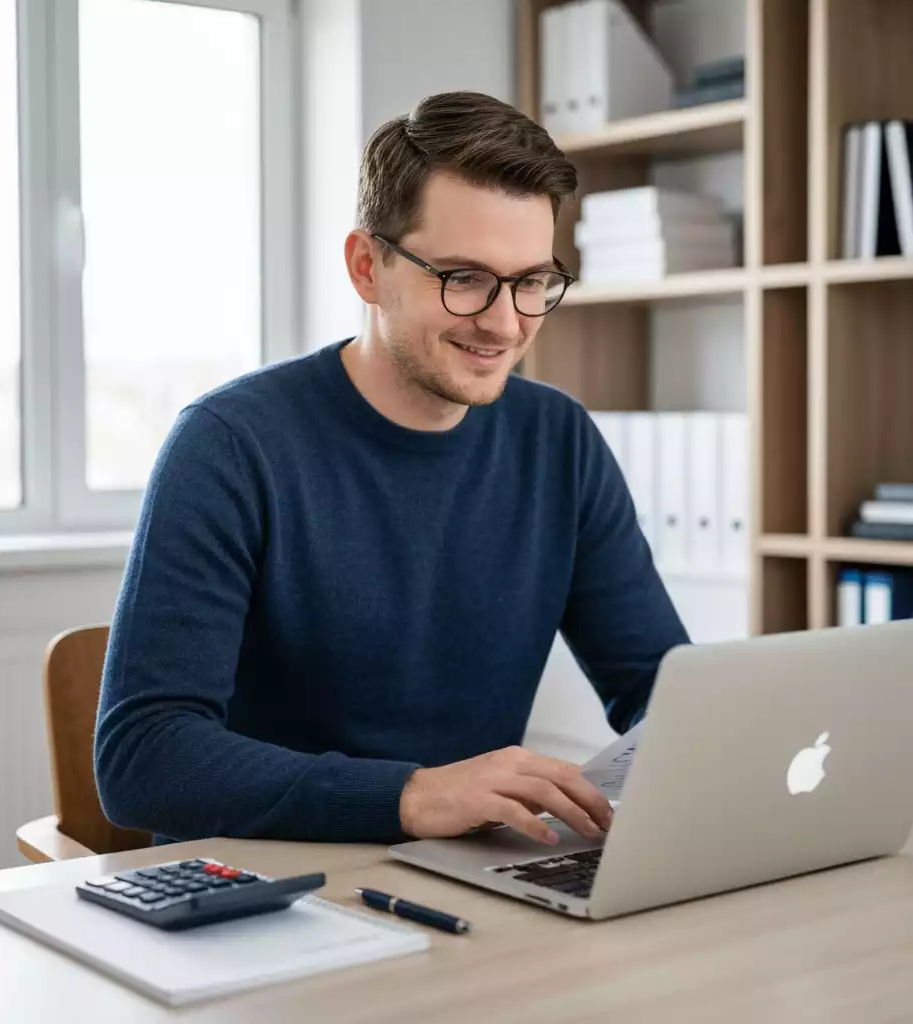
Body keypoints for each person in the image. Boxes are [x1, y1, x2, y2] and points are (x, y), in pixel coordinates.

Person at [95, 91, 689, 850]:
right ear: (367, 267)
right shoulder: (230, 445)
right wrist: (409, 796)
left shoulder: (558, 440)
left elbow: (661, 691)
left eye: (531, 282)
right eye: (464, 278)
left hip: (468, 874)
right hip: (268, 885)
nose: (505, 323)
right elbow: (142, 757)